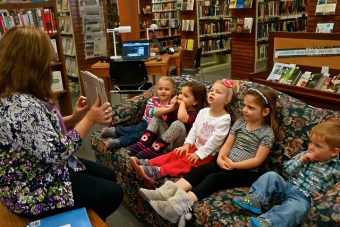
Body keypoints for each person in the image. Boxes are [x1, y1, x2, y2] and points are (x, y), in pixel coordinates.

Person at [0, 26, 123, 221]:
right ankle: (83, 221)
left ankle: (82, 214)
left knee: (108, 176)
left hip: (33, 171)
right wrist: (90, 119)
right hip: (30, 190)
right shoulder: (22, 107)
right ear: (33, 64)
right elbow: (56, 152)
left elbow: (39, 133)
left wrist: (74, 118)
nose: (50, 65)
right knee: (113, 193)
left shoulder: (13, 95)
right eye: (47, 61)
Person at [138, 87, 279, 224]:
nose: (244, 110)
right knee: (200, 170)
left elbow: (258, 160)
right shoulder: (240, 123)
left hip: (246, 171)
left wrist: (234, 164)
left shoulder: (266, 133)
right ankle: (163, 193)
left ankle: (177, 207)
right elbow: (228, 145)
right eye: (244, 105)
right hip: (226, 162)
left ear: (265, 111)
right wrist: (221, 158)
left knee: (214, 178)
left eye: (251, 108)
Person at [130, 79, 239, 184]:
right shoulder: (203, 112)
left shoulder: (225, 119)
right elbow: (194, 129)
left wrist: (199, 154)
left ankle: (159, 171)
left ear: (226, 100)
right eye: (212, 90)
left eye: (218, 92)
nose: (213, 93)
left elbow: (215, 142)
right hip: (193, 146)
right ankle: (148, 162)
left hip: (207, 155)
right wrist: (187, 145)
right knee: (174, 154)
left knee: (183, 162)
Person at [232, 121, 340, 227]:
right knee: (271, 175)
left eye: (318, 146)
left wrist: (326, 197)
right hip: (287, 187)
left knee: (297, 208)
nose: (311, 147)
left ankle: (270, 221)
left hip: (303, 199)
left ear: (334, 152)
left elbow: (337, 189)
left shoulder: (336, 169)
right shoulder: (304, 155)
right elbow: (287, 169)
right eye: (310, 142)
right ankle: (255, 199)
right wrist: (301, 161)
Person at [94, 77, 176, 151]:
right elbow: (150, 113)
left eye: (167, 89)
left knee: (139, 136)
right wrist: (166, 110)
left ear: (172, 91)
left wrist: (170, 107)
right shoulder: (153, 100)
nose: (163, 91)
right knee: (135, 129)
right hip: (145, 123)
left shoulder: (172, 104)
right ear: (156, 90)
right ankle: (115, 132)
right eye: (160, 89)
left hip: (157, 131)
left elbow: (167, 120)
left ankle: (118, 141)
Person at [128, 81, 207, 159]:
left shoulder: (196, 114)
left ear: (195, 101)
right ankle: (143, 143)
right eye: (180, 93)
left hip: (178, 145)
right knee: (157, 118)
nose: (181, 97)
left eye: (185, 96)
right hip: (165, 140)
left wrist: (182, 104)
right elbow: (156, 114)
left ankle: (154, 150)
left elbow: (181, 118)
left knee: (178, 124)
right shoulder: (176, 107)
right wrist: (171, 108)